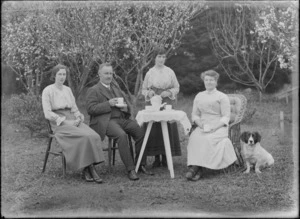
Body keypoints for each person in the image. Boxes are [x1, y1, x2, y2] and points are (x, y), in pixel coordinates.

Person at [86, 63, 153, 181]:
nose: (109, 76)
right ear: (99, 74)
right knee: (121, 135)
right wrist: (108, 104)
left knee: (141, 132)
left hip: (122, 118)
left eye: (111, 73)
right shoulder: (94, 90)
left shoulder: (115, 88)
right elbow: (91, 109)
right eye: (106, 73)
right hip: (107, 121)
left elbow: (126, 104)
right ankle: (131, 169)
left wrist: (125, 107)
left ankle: (140, 164)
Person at [42, 64, 105, 184]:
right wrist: (65, 121)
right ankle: (90, 168)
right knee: (85, 137)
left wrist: (79, 116)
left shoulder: (68, 90)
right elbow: (48, 113)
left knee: (94, 136)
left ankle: (87, 168)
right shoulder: (48, 90)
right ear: (54, 76)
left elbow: (74, 108)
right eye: (59, 74)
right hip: (59, 123)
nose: (62, 77)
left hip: (72, 119)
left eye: (64, 74)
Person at [186, 70, 237, 181]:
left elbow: (225, 117)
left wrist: (215, 127)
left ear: (216, 82)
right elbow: (195, 115)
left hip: (219, 126)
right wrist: (200, 125)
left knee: (208, 139)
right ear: (204, 81)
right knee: (194, 138)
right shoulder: (199, 96)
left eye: (211, 80)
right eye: (206, 80)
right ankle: (197, 169)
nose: (209, 82)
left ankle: (196, 169)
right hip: (203, 125)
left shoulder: (222, 97)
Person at [141, 47, 181, 168]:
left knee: (167, 126)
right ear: (154, 58)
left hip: (167, 100)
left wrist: (169, 92)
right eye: (159, 56)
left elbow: (176, 87)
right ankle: (156, 157)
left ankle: (166, 157)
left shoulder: (170, 71)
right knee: (155, 128)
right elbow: (143, 89)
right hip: (154, 101)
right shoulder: (150, 72)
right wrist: (149, 93)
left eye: (163, 57)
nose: (161, 59)